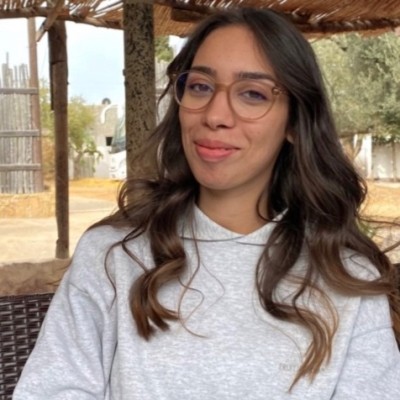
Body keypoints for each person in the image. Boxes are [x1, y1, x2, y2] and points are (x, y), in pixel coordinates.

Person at [14, 8, 400, 400]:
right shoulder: (113, 256)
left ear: (295, 124)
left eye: (253, 94)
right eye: (200, 86)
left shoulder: (348, 279)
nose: (214, 115)